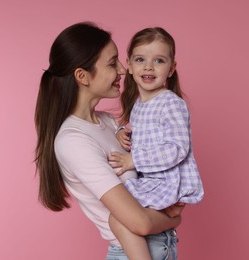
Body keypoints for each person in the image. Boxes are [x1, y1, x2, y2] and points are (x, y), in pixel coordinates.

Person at [34, 22, 184, 260]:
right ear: (83, 76)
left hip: (163, 246)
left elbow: (154, 174)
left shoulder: (111, 123)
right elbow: (140, 223)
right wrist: (174, 217)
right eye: (112, 63)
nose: (123, 70)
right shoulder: (73, 141)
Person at [107, 27, 204, 258]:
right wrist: (122, 131)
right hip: (151, 182)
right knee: (120, 213)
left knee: (119, 216)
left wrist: (133, 160)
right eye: (140, 59)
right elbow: (144, 132)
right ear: (129, 65)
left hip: (165, 181)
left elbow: (177, 148)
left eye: (159, 61)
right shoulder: (139, 105)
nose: (148, 67)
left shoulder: (171, 103)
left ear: (171, 69)